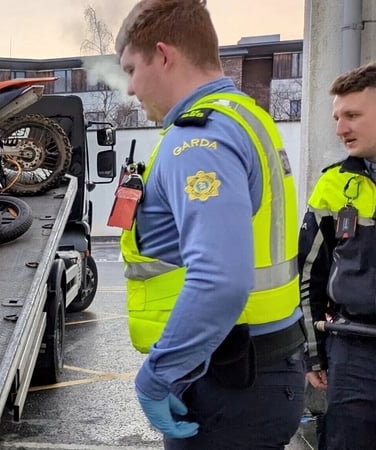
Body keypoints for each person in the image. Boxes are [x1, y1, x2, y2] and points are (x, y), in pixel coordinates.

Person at [111, 0, 306, 447]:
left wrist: (158, 377)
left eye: (130, 69)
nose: (129, 89)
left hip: (228, 380)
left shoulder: (197, 140)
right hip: (258, 366)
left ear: (163, 55)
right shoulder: (245, 117)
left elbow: (219, 278)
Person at [299, 60, 376, 449]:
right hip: (354, 352)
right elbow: (308, 275)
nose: (340, 128)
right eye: (336, 117)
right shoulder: (333, 185)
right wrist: (313, 355)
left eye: (352, 115)